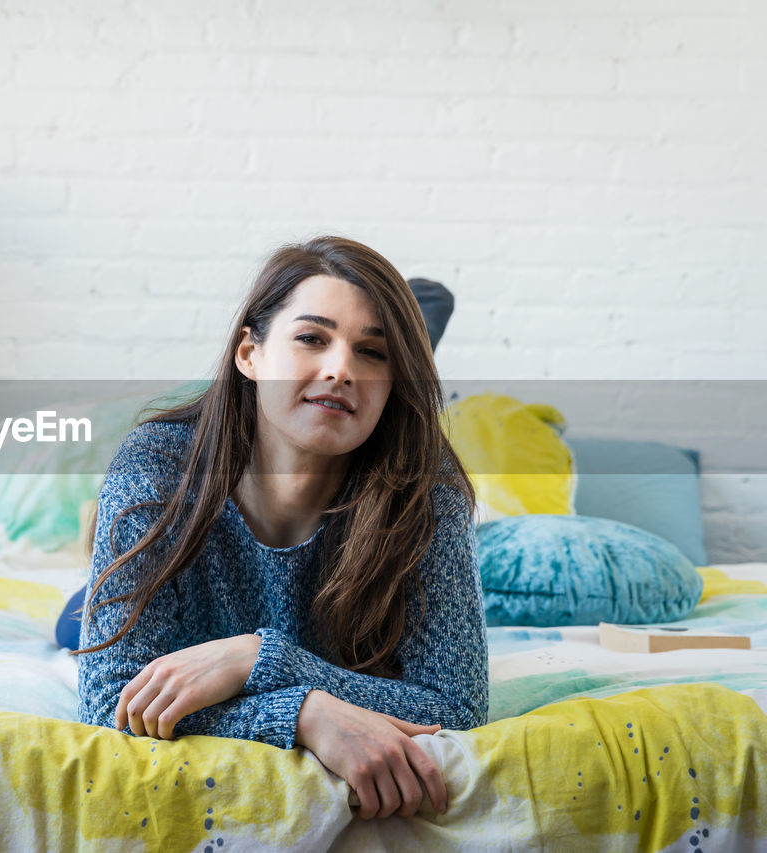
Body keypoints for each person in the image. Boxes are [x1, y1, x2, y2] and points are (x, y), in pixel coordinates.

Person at [71, 235, 487, 822]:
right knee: (75, 622)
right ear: (250, 354)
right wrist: (305, 713)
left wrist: (256, 658)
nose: (341, 369)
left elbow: (457, 707)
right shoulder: (156, 465)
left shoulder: (426, 485)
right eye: (311, 338)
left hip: (263, 651)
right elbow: (109, 699)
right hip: (169, 618)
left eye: (375, 353)